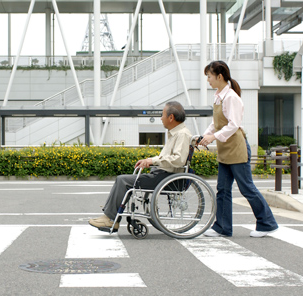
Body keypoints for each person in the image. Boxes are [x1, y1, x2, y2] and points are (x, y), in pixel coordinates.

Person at [199, 60, 278, 238]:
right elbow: (216, 123)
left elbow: (233, 125)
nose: (208, 80)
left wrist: (213, 136)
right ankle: (222, 227)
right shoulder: (219, 95)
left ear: (219, 76)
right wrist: (205, 136)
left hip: (236, 148)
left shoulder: (231, 97)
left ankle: (267, 224)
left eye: (209, 76)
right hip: (225, 148)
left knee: (247, 188)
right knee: (223, 189)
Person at [89, 101, 192, 231]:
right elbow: (167, 158)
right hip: (163, 175)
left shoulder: (182, 134)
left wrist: (153, 161)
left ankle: (110, 219)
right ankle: (109, 216)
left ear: (171, 117)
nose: (161, 118)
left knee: (123, 180)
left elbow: (178, 160)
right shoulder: (176, 133)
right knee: (124, 180)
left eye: (162, 115)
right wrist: (150, 160)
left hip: (167, 178)